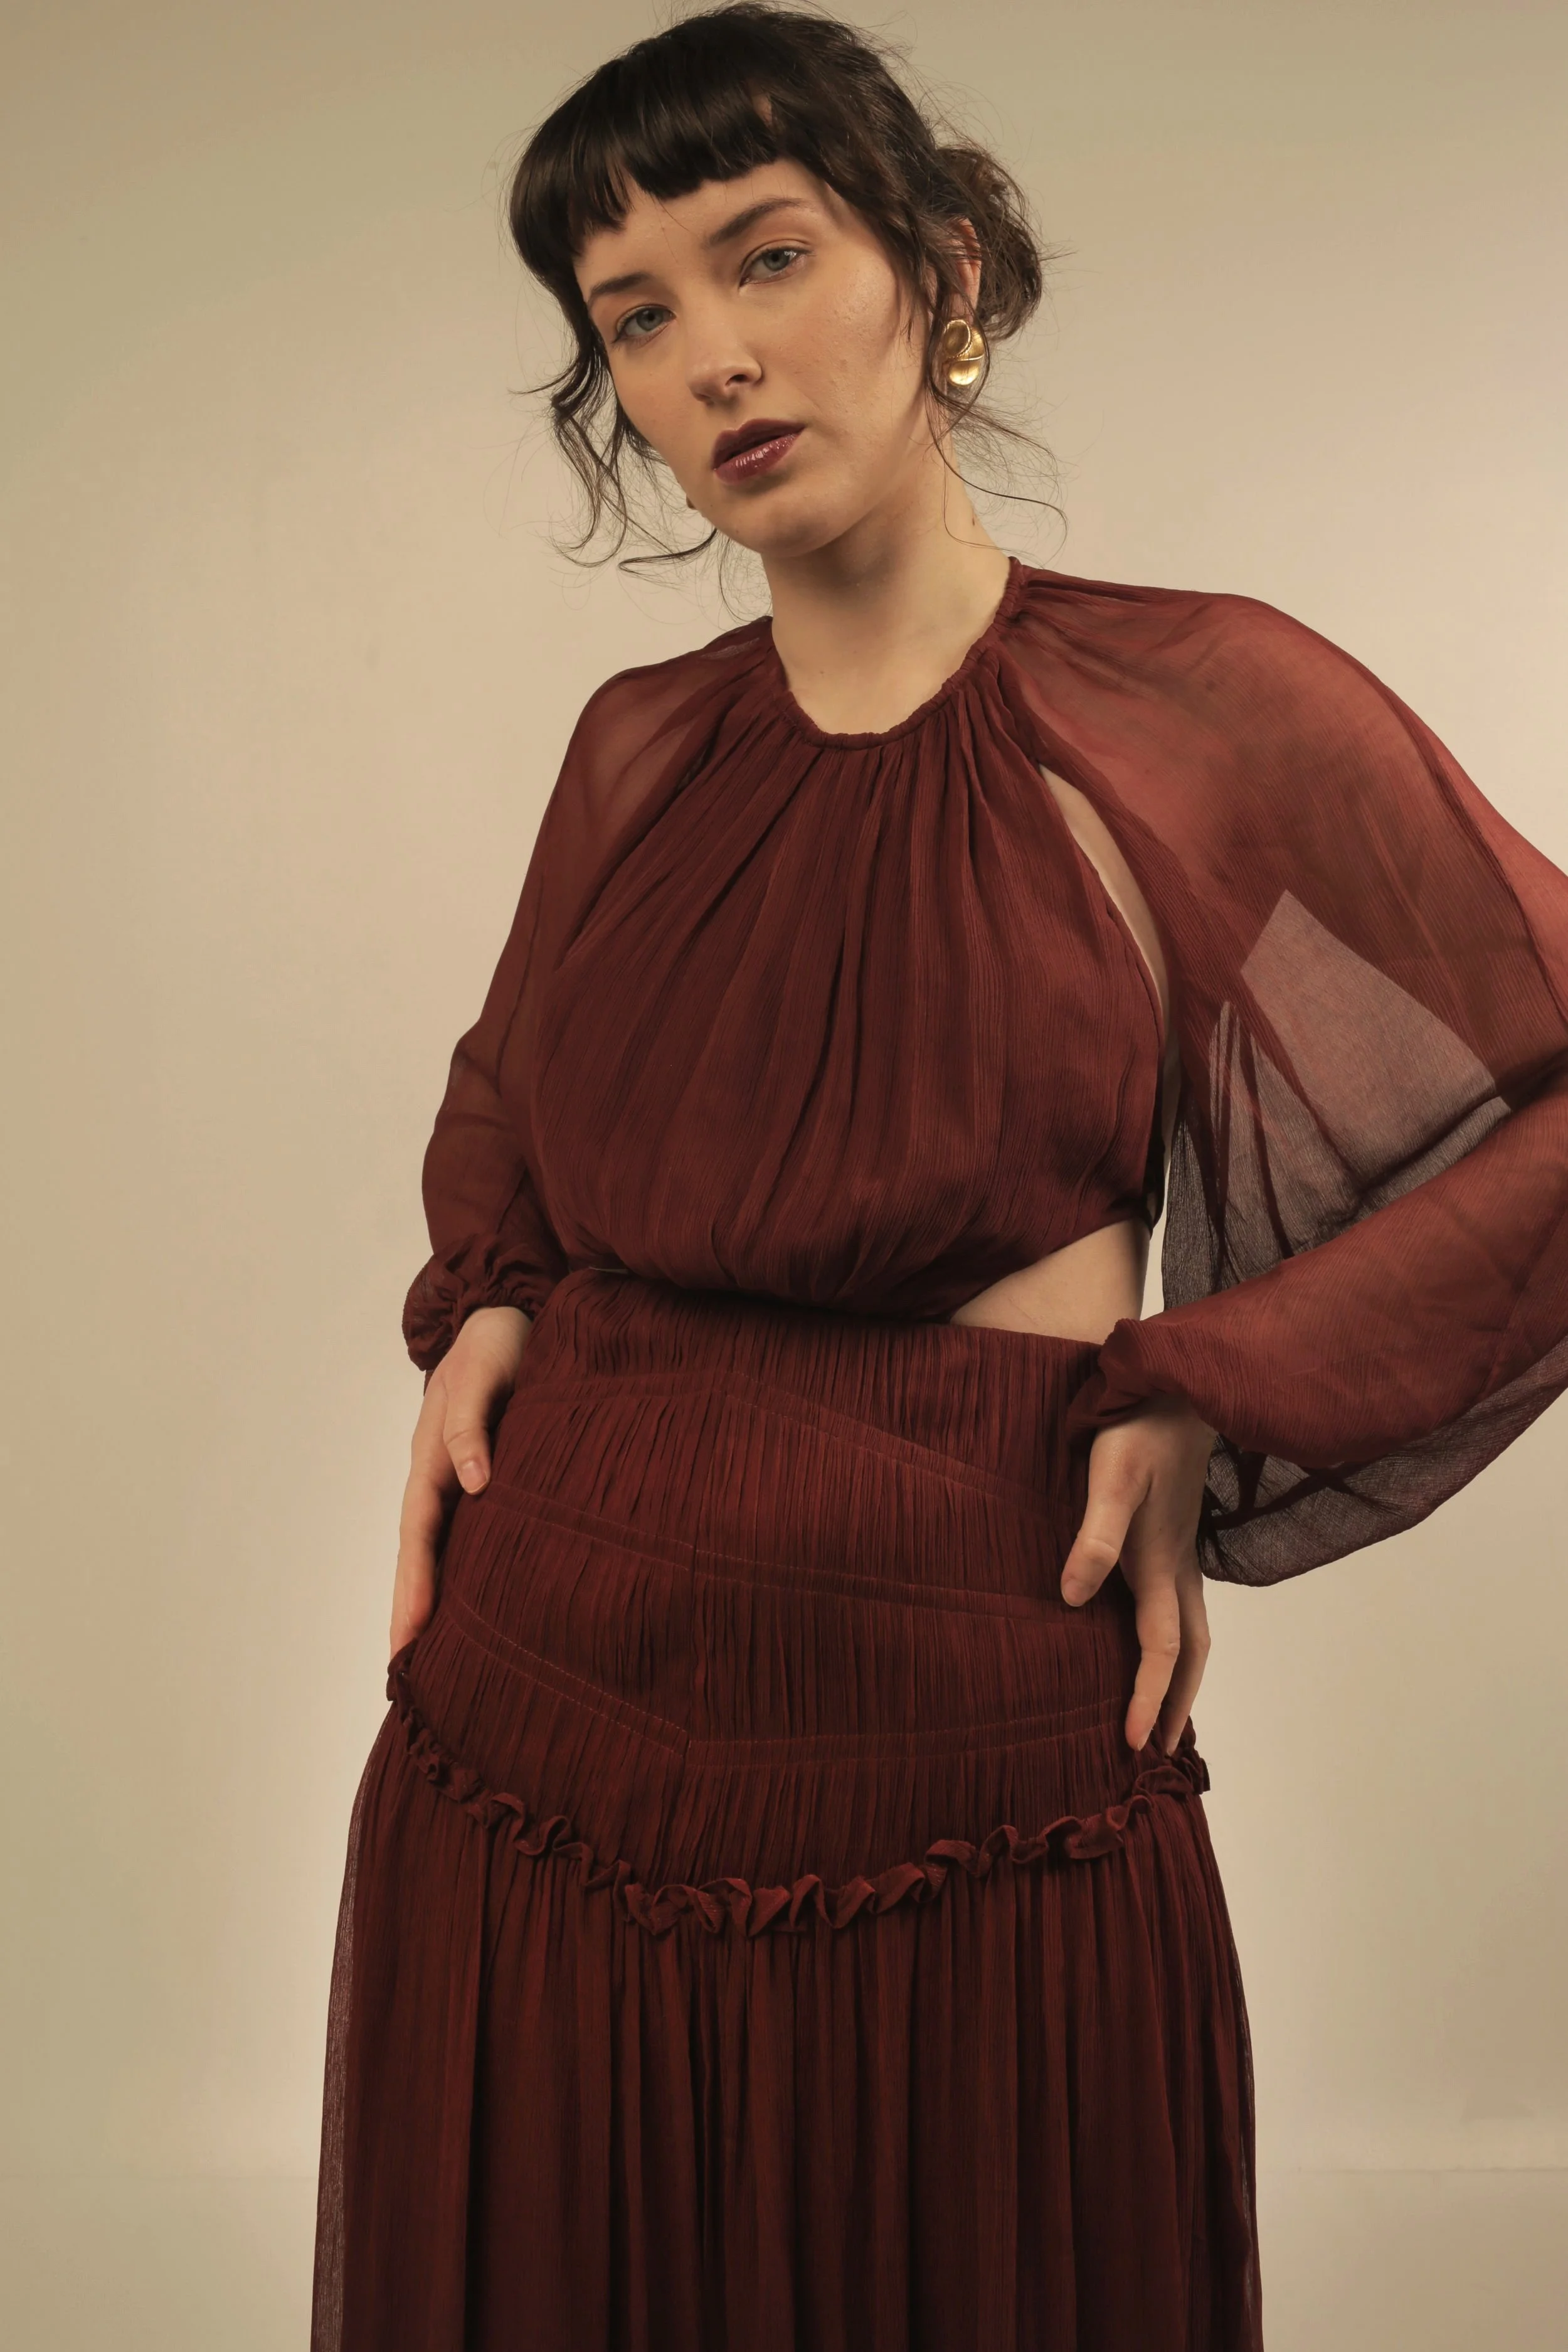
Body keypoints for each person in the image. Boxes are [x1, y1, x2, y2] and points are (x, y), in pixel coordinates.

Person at [310, 9, 1568, 2349]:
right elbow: (518, 1071)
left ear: (946, 271)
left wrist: (1216, 1376)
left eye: (765, 256)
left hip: (961, 1701)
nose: (717, 356)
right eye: (639, 315)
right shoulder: (639, 749)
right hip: (541, 1685)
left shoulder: (1199, 711)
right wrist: (486, 1290)